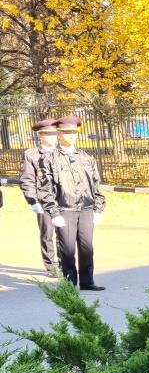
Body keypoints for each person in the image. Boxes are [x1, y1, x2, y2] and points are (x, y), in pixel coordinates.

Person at [36, 115, 106, 290]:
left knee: (87, 247)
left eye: (74, 132)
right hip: (65, 209)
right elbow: (45, 189)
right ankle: (69, 283)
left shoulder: (85, 157)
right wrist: (53, 212)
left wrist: (98, 208)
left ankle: (87, 281)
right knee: (67, 250)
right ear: (59, 134)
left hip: (86, 209)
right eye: (67, 132)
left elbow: (96, 183)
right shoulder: (50, 159)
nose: (71, 135)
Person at [19, 118, 60, 272]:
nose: (53, 137)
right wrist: (33, 201)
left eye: (55, 134)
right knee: (47, 233)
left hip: (63, 199)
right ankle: (51, 266)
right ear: (40, 136)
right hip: (43, 201)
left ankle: (65, 264)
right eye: (48, 134)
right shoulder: (32, 155)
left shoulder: (61, 152)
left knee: (64, 234)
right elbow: (27, 179)